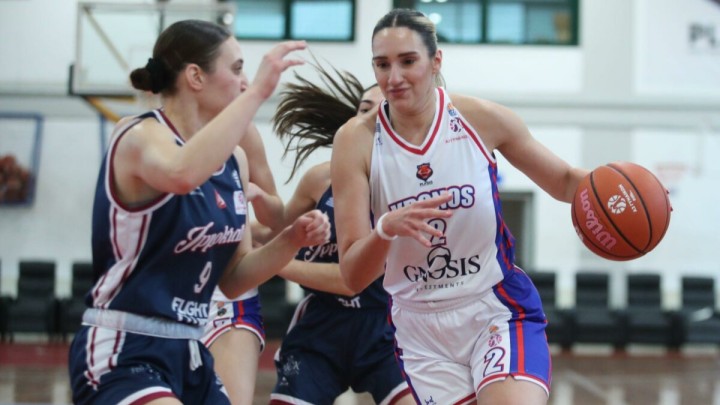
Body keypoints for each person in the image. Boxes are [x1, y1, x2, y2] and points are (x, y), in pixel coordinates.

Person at [331, 9, 590, 405]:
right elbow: (352, 275)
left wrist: (623, 189)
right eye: (382, 65)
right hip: (419, 330)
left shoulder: (480, 119)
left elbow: (566, 181)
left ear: (436, 61)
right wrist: (386, 229)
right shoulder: (355, 141)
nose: (394, 77)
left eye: (407, 61)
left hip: (493, 307)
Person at [67, 19, 330, 405]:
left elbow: (234, 280)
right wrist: (259, 92)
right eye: (236, 69)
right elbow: (181, 174)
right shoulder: (139, 135)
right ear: (195, 76)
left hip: (188, 349)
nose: (244, 82)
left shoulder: (235, 160)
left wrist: (291, 239)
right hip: (124, 346)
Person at [264, 64, 415, 405]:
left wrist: (274, 263)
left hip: (387, 324)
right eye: (364, 109)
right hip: (322, 323)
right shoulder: (320, 178)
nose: (371, 118)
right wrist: (239, 223)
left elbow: (352, 281)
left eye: (383, 110)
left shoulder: (408, 187)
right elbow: (276, 229)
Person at [201, 123, 286, 405]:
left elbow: (276, 220)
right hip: (166, 300)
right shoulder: (147, 134)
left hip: (226, 299)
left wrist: (259, 197)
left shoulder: (242, 135)